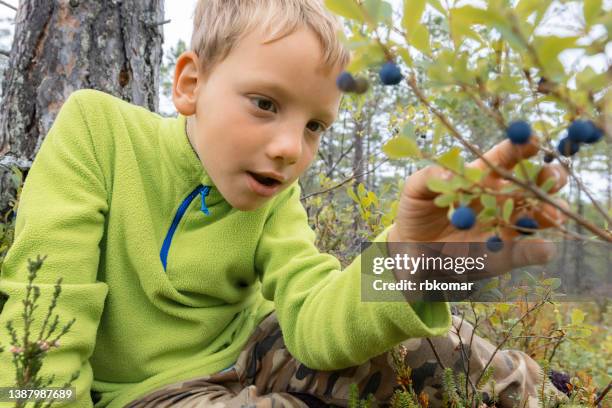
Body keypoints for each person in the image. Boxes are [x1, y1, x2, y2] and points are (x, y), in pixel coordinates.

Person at [0, 1, 569, 407]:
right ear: (191, 83)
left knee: (433, 342)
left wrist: (411, 264)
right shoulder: (99, 133)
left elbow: (313, 319)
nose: (290, 149)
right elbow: (43, 313)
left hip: (255, 348)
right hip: (148, 391)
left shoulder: (275, 193)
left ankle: (557, 396)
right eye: (266, 103)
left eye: (316, 125)